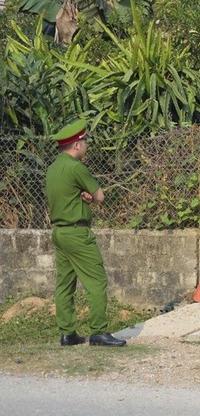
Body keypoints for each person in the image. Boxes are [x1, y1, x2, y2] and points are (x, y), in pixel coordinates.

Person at [46, 120, 126, 347]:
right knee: (96, 280)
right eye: (85, 142)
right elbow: (100, 196)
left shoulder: (53, 169)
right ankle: (99, 332)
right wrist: (93, 197)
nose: (86, 145)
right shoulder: (76, 167)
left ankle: (67, 333)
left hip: (60, 233)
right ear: (76, 145)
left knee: (64, 284)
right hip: (78, 234)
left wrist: (83, 199)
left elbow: (66, 197)